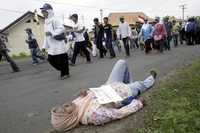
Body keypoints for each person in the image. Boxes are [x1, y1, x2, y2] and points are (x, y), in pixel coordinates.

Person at [51, 59, 157, 131]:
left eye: (62, 105)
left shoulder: (76, 104)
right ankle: (151, 78)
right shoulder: (93, 115)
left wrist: (86, 91)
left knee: (121, 62)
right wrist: (138, 104)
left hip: (109, 85)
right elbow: (118, 114)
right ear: (70, 119)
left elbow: (92, 93)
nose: (65, 104)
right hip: (121, 94)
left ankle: (131, 85)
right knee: (141, 84)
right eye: (65, 109)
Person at [40, 3, 70, 80]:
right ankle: (63, 70)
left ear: (49, 11)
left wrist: (52, 33)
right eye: (42, 12)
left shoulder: (55, 20)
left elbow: (62, 28)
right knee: (51, 59)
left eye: (44, 11)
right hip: (51, 46)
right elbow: (46, 36)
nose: (42, 13)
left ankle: (65, 73)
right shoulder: (46, 22)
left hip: (59, 44)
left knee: (62, 60)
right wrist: (44, 47)